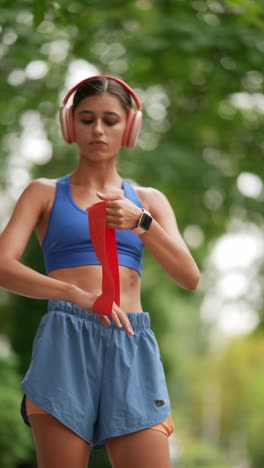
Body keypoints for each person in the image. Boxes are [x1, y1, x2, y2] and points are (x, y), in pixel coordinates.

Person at [0, 75, 200, 468]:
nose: (97, 130)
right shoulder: (42, 193)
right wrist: (73, 295)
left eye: (110, 120)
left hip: (131, 341)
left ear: (130, 127)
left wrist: (140, 221)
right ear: (69, 124)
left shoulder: (149, 202)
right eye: (87, 118)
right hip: (65, 338)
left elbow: (189, 277)